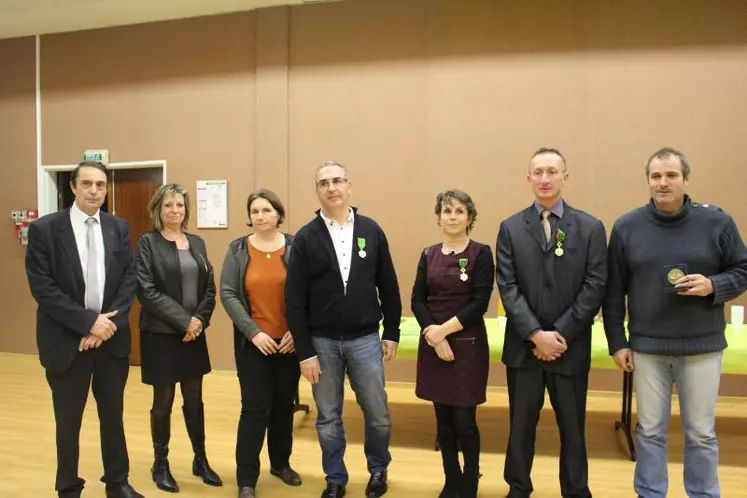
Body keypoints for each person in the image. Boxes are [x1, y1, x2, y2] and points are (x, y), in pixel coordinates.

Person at [603, 147, 747, 498]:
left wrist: (713, 285)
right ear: (648, 181)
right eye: (656, 176)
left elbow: (742, 269)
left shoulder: (717, 221)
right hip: (648, 349)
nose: (663, 183)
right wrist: (617, 342)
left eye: (671, 176)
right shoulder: (626, 226)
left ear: (686, 179)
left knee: (700, 432)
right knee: (650, 431)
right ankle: (650, 493)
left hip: (701, 347)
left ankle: (703, 493)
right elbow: (613, 290)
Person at [25, 161, 144, 498]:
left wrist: (105, 327)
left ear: (107, 189)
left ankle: (117, 482)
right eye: (88, 184)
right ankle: (68, 487)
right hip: (67, 342)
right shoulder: (46, 230)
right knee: (68, 420)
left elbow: (128, 280)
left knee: (113, 414)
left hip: (110, 341)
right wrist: (88, 322)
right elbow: (43, 288)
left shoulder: (117, 227)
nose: (95, 191)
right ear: (73, 188)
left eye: (101, 185)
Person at [286, 160, 402, 498]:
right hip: (321, 344)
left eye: (338, 181)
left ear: (349, 186)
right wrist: (304, 352)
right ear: (317, 191)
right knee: (328, 417)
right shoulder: (306, 238)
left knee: (377, 413)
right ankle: (335, 477)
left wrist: (391, 330)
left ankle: (378, 470)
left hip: (365, 339)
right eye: (324, 183)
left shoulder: (371, 230)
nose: (332, 187)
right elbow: (294, 301)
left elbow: (389, 285)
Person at [496, 148, 607, 498]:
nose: (545, 179)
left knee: (573, 428)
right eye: (538, 172)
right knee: (521, 426)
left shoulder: (589, 228)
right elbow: (508, 286)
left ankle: (576, 490)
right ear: (528, 178)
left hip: (569, 347)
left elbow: (595, 285)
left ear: (565, 177)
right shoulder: (511, 228)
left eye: (552, 172)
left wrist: (558, 334)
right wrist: (534, 334)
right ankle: (517, 488)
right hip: (524, 349)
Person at [136, 183, 222, 492]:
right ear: (158, 209)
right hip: (161, 335)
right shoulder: (148, 243)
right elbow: (146, 291)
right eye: (169, 205)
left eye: (180, 205)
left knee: (195, 398)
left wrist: (198, 320)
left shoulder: (197, 243)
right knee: (164, 400)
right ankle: (160, 463)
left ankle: (200, 459)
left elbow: (209, 288)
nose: (176, 211)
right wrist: (185, 321)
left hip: (194, 334)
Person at [411, 190, 494, 498]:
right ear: (438, 217)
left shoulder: (481, 253)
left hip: (467, 343)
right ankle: (451, 477)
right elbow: (418, 299)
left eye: (460, 211)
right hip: (434, 343)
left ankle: (471, 477)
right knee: (443, 419)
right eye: (447, 211)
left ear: (470, 217)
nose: (453, 217)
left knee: (464, 420)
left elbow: (479, 303)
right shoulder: (427, 254)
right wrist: (433, 334)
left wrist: (442, 332)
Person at [220, 189, 302, 498]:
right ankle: (246, 479)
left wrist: (297, 331)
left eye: (266, 210)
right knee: (255, 409)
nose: (260, 216)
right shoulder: (238, 249)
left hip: (289, 344)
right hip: (253, 343)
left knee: (283, 407)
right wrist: (254, 332)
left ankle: (281, 464)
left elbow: (307, 292)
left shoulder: (296, 247)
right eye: (255, 211)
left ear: (278, 214)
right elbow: (228, 293)